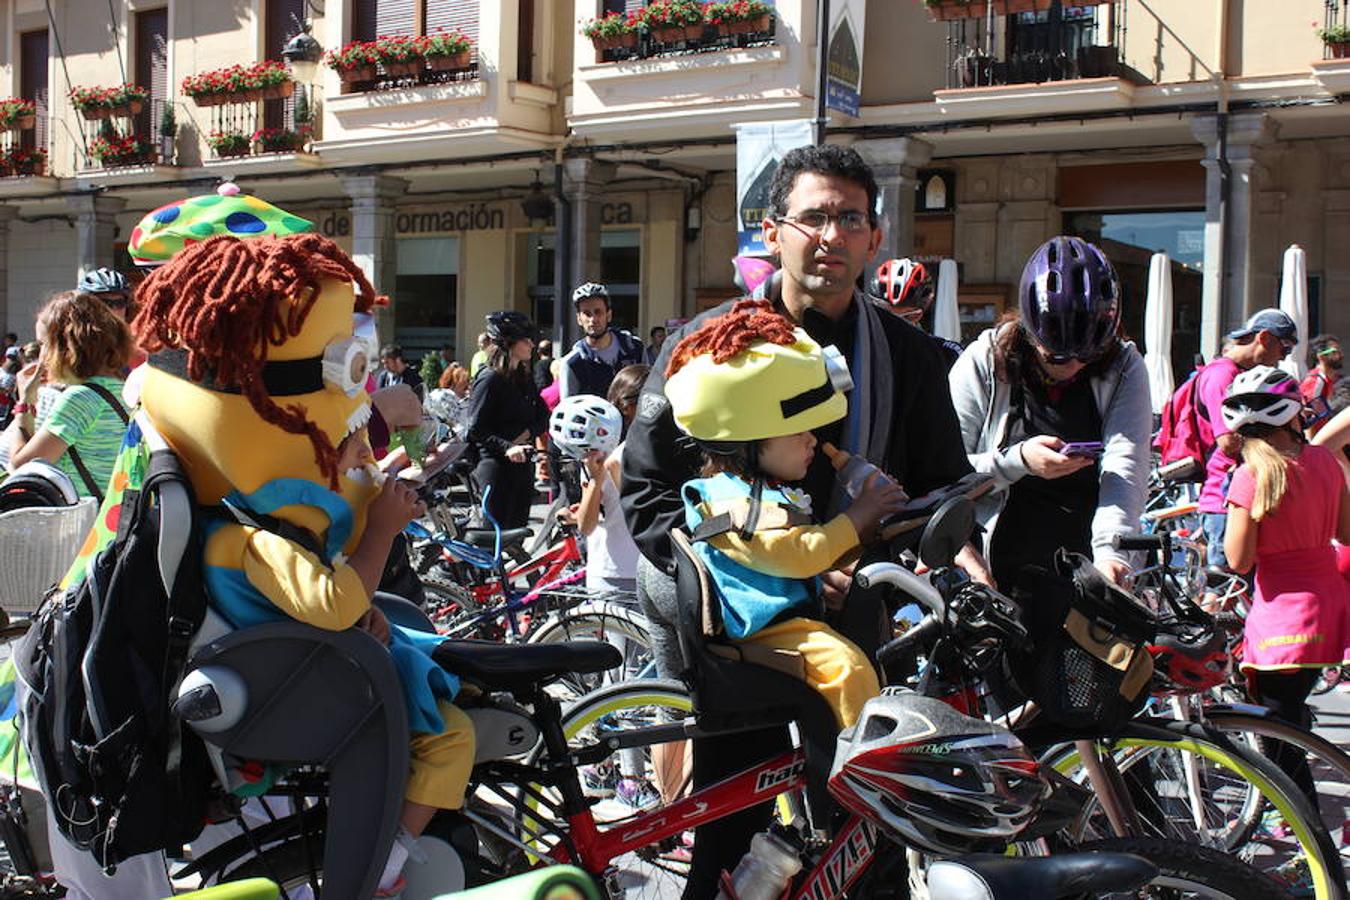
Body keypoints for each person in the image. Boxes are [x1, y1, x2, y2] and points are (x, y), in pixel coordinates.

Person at [621, 143, 981, 896]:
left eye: (850, 219)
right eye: (813, 216)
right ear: (773, 230)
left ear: (876, 239)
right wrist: (739, 568)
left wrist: (900, 555)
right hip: (739, 636)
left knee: (861, 844)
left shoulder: (912, 359)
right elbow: (649, 493)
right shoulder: (706, 348)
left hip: (856, 632)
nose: (831, 236)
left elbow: (941, 492)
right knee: (730, 841)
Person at [668, 303, 908, 722]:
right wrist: (860, 516)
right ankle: (853, 776)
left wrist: (871, 535)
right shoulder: (731, 500)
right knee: (846, 668)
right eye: (798, 431)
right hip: (764, 632)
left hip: (787, 624)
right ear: (747, 439)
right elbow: (796, 553)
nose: (812, 440)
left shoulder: (757, 492)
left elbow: (802, 556)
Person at [947, 236, 1151, 588]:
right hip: (993, 559)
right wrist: (1019, 461)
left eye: (1087, 357)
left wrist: (1112, 553)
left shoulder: (1124, 367)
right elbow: (946, 473)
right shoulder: (982, 361)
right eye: (1056, 356)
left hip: (1085, 560)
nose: (1072, 366)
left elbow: (1125, 467)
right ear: (1028, 331)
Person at [1221, 367, 1350, 821]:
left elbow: (1236, 559)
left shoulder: (1250, 476)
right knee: (1293, 721)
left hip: (1281, 621)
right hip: (1329, 608)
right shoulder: (1324, 462)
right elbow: (1345, 530)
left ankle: (1309, 842)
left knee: (1281, 744)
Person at [1193, 309, 1299, 567]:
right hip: (1224, 497)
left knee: (1233, 591)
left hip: (1240, 493)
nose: (1284, 358)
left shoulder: (1236, 373)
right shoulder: (1222, 375)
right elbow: (1228, 442)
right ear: (1264, 337)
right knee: (1224, 590)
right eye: (1285, 348)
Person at [6, 292, 130, 499]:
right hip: (109, 520)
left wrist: (24, 402)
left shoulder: (80, 398)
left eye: (44, 344)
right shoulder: (121, 387)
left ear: (67, 345)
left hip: (81, 524)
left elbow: (21, 467)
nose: (42, 355)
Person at [466, 311, 548, 530]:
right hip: (495, 468)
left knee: (517, 535)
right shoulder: (490, 379)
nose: (532, 344)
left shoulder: (524, 377)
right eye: (526, 339)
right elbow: (475, 428)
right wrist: (507, 447)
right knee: (491, 537)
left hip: (522, 468)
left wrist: (526, 435)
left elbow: (543, 416)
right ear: (510, 343)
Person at [558, 282, 645, 400]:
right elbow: (569, 408)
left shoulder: (634, 348)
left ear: (609, 315)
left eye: (598, 312)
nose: (593, 319)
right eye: (587, 314)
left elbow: (650, 391)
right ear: (579, 319)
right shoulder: (573, 363)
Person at [871, 257, 963, 368]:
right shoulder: (854, 350)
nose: (891, 327)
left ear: (918, 316)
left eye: (906, 317)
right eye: (883, 316)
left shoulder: (947, 354)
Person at [1300, 334, 1341, 434]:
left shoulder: (1327, 380)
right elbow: (1310, 417)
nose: (1339, 355)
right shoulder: (1316, 381)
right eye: (1334, 352)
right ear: (1321, 356)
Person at [426, 362, 472, 438]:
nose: (468, 388)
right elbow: (458, 428)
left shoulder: (436, 394)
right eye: (465, 386)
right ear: (453, 385)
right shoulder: (448, 397)